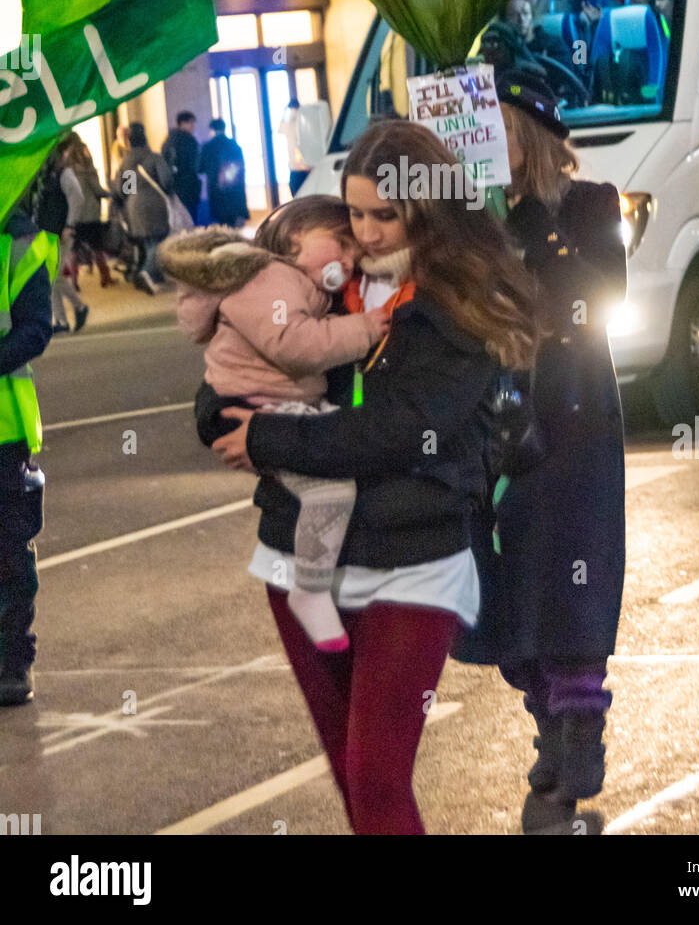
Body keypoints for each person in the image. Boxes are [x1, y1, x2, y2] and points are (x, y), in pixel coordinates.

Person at [210, 120, 540, 835]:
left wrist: (267, 436)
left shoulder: (460, 302)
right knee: (353, 782)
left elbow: (395, 431)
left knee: (376, 778)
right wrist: (224, 409)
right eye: (355, 213)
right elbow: (228, 370)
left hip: (412, 560)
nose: (366, 232)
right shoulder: (330, 284)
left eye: (383, 215)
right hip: (299, 557)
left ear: (428, 210)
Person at [460, 69, 627, 836]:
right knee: (513, 578)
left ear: (524, 135)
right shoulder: (474, 215)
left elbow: (602, 294)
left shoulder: (587, 205)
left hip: (575, 398)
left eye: (496, 128)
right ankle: (547, 720)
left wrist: (534, 221)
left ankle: (579, 726)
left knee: (573, 569)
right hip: (502, 401)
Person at [160, 198, 388, 650]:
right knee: (330, 489)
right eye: (340, 244)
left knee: (335, 461)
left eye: (353, 257)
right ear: (295, 235)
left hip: (274, 404)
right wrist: (366, 327)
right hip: (259, 405)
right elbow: (295, 344)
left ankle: (312, 587)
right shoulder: (272, 278)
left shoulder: (289, 282)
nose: (346, 261)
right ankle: (311, 588)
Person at [0, 203, 56, 705]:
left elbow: (37, 327)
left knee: (7, 553)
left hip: (3, 433)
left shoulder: (19, 242)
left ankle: (11, 661)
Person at [112, 123, 173, 295]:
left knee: (147, 242)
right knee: (157, 241)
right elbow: (166, 180)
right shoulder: (154, 158)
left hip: (134, 206)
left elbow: (124, 190)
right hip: (155, 204)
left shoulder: (127, 162)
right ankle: (145, 273)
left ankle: (154, 275)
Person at [34, 141, 88, 334]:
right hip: (47, 232)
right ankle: (62, 320)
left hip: (60, 232)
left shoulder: (63, 174)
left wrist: (70, 226)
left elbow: (77, 199)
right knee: (51, 279)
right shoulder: (47, 176)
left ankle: (79, 308)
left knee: (54, 278)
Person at [60, 135, 114, 290]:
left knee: (73, 250)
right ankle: (105, 277)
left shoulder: (65, 171)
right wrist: (109, 194)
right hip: (90, 214)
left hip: (73, 216)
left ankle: (75, 282)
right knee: (97, 247)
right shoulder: (87, 169)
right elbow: (97, 189)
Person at [199, 118, 249, 227]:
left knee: (221, 219)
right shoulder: (234, 145)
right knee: (233, 219)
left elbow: (200, 168)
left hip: (216, 188)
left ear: (212, 130)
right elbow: (241, 166)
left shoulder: (207, 147)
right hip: (233, 187)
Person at [504, 0, 571, 68]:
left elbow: (566, 76)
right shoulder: (504, 49)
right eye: (513, 15)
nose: (521, 19)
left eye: (525, 13)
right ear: (505, 20)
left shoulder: (554, 44)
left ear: (532, 15)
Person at [161, 111, 202, 224]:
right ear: (182, 123)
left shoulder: (168, 141)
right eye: (190, 123)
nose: (193, 126)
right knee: (190, 221)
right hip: (188, 188)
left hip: (174, 189)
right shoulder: (189, 141)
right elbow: (195, 166)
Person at [279, 98, 311, 198]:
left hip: (300, 168)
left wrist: (285, 111)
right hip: (302, 168)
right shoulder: (302, 124)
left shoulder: (290, 125)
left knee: (299, 199)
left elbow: (280, 127)